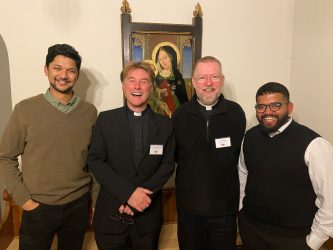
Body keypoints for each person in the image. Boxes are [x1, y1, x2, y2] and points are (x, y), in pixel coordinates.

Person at [0, 44, 98, 249]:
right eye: (57, 68)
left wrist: (93, 199)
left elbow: (94, 159)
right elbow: (5, 157)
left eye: (71, 70)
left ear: (77, 75)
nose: (64, 75)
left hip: (78, 205)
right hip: (38, 207)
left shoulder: (89, 112)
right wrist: (25, 200)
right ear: (46, 70)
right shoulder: (25, 109)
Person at [86, 61, 175, 250]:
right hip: (111, 216)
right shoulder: (105, 120)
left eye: (144, 81)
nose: (137, 86)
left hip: (147, 218)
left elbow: (167, 165)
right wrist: (128, 193)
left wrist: (139, 199)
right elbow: (95, 160)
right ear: (123, 85)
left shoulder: (165, 125)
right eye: (131, 80)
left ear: (151, 87)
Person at [238, 82, 333, 250]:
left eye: (275, 105)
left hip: (293, 238)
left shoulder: (314, 145)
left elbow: (330, 199)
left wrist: (314, 241)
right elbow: (243, 173)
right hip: (252, 229)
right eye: (261, 107)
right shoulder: (250, 137)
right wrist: (241, 209)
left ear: (289, 107)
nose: (267, 112)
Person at [173, 56, 246, 250]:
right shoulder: (179, 115)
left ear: (222, 80)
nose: (208, 83)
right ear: (194, 82)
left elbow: (240, 160)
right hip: (189, 209)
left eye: (214, 77)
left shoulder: (236, 113)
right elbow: (173, 158)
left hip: (224, 210)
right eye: (202, 77)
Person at [155, 45, 189, 115]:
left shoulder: (177, 76)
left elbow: (183, 97)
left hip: (176, 108)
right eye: (160, 59)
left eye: (165, 58)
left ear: (172, 57)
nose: (162, 62)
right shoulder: (156, 77)